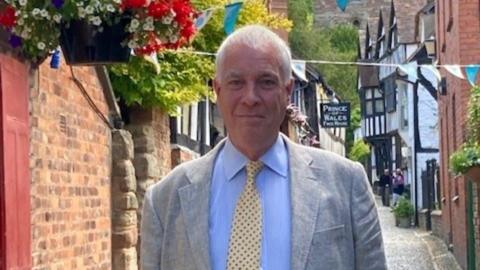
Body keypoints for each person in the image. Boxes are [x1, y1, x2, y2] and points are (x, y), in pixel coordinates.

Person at [140, 25, 387, 270]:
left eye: (266, 82)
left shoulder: (346, 183)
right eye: (236, 82)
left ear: (287, 91)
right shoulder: (165, 199)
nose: (250, 98)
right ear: (217, 90)